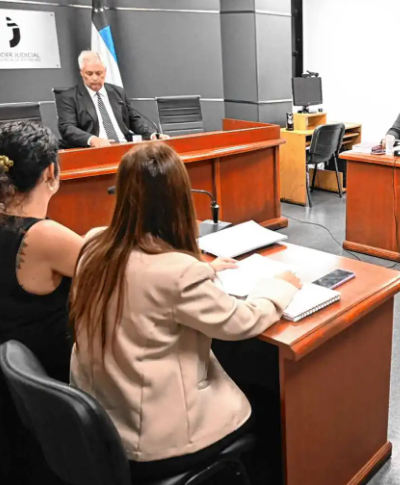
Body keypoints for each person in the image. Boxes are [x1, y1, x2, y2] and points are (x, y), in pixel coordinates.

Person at [69, 142, 301, 481]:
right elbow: (241, 321)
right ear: (179, 199)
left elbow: (143, 283)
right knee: (270, 406)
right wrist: (280, 288)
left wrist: (204, 269)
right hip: (156, 439)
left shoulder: (93, 244)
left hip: (104, 420)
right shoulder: (176, 273)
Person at [0, 121, 84, 482]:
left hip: (16, 397)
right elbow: (122, 272)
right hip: (57, 385)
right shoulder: (43, 235)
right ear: (51, 172)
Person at [56, 50, 169, 148]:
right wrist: (92, 139)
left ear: (105, 71)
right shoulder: (68, 97)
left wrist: (152, 134)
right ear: (81, 73)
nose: (94, 78)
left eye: (99, 73)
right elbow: (67, 128)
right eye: (89, 74)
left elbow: (134, 119)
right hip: (92, 150)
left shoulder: (117, 92)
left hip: (124, 146)